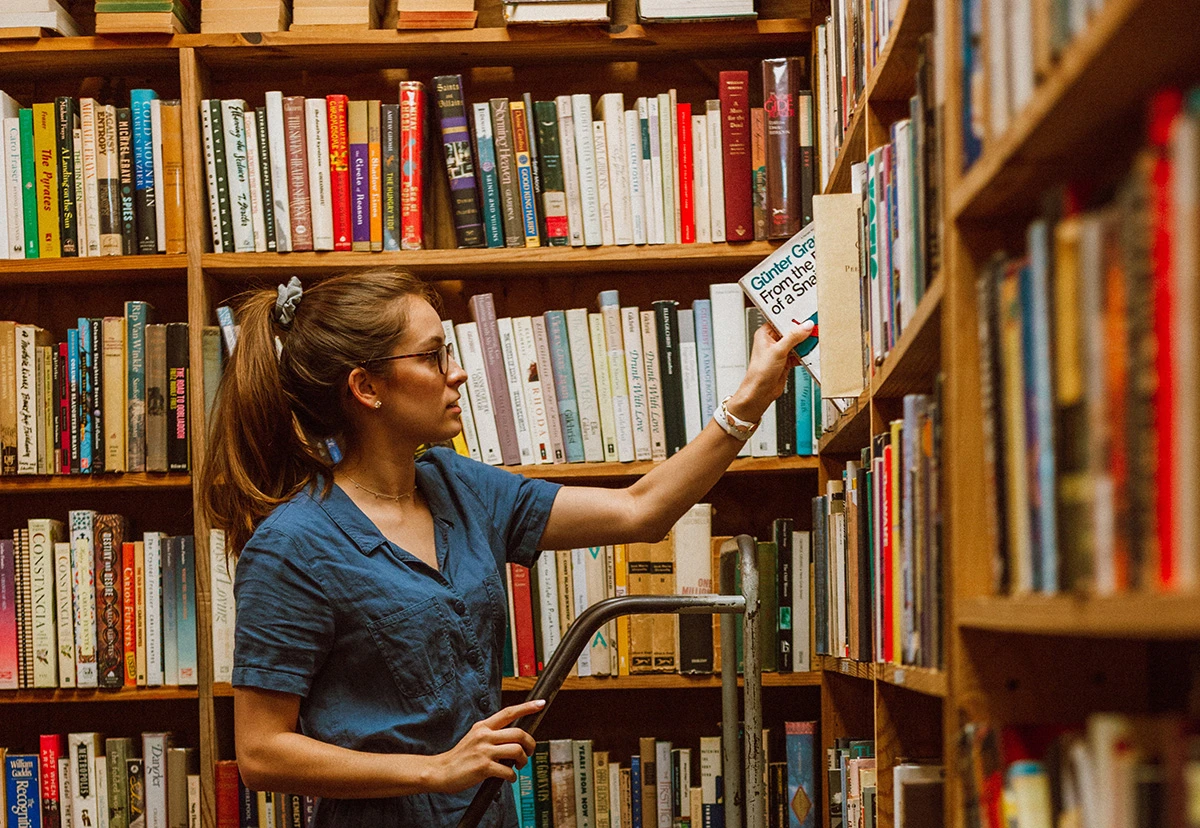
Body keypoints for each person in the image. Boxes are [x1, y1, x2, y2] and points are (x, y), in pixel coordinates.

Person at [200, 269, 811, 828]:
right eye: (435, 356)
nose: (457, 372)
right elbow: (260, 753)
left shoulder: (460, 485)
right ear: (366, 387)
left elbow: (640, 510)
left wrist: (751, 398)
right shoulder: (292, 546)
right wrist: (434, 769)